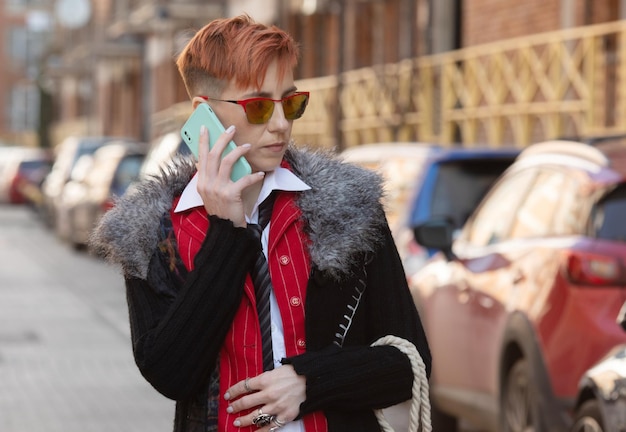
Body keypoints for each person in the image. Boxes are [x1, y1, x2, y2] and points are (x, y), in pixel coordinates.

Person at [90, 14, 431, 432]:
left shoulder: (348, 208)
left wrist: (309, 382)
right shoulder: (150, 233)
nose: (280, 124)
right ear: (204, 113)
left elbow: (410, 362)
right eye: (258, 106)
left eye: (290, 102)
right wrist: (228, 234)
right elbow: (170, 374)